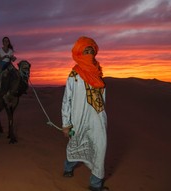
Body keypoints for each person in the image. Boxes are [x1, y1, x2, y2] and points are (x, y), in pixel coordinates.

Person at [61, 36, 108, 191]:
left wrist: (102, 115)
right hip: (78, 118)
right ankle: (68, 168)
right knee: (76, 144)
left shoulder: (98, 75)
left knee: (100, 147)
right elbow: (66, 100)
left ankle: (95, 184)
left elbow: (103, 98)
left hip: (98, 119)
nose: (89, 53)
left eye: (91, 51)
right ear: (80, 54)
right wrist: (66, 123)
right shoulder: (74, 76)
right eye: (85, 51)